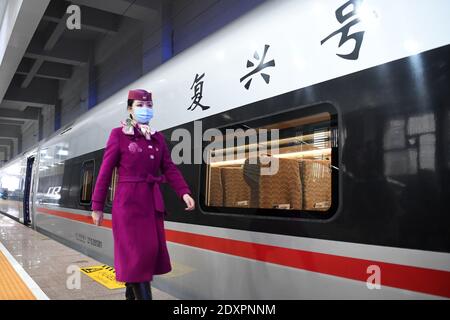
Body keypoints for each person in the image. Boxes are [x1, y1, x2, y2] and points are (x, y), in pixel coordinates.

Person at [90, 89, 195, 300]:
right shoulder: (118, 135)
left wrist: (184, 192)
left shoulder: (157, 138)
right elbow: (105, 171)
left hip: (151, 205)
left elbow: (169, 168)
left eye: (148, 106)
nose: (145, 109)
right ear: (130, 109)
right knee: (136, 258)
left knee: (144, 258)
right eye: (139, 105)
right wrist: (97, 206)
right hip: (128, 207)